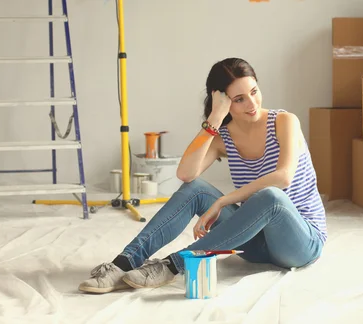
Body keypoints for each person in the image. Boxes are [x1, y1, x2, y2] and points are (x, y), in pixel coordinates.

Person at [78, 57, 327, 293]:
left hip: (300, 242)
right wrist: (215, 119)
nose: (252, 104)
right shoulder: (224, 137)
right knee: (195, 189)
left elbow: (283, 177)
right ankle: (124, 262)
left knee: (271, 197)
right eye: (239, 99)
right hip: (254, 242)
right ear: (223, 101)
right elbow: (186, 174)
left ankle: (173, 265)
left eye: (254, 91)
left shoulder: (284, 121)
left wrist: (223, 201)